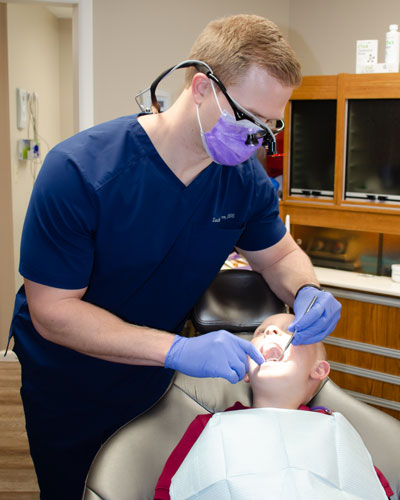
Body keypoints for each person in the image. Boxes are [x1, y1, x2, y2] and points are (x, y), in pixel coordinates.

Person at [8, 14, 341, 500]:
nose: (260, 139)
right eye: (250, 119)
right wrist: (178, 350)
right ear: (202, 87)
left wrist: (306, 288)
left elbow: (279, 254)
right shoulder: (79, 171)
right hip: (70, 379)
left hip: (154, 382)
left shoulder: (242, 181)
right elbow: (53, 313)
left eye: (271, 124)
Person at [153, 314, 393, 499]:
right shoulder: (209, 426)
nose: (270, 330)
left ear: (319, 370)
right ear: (247, 372)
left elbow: (370, 488)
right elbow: (173, 490)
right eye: (259, 332)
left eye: (290, 330)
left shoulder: (333, 429)